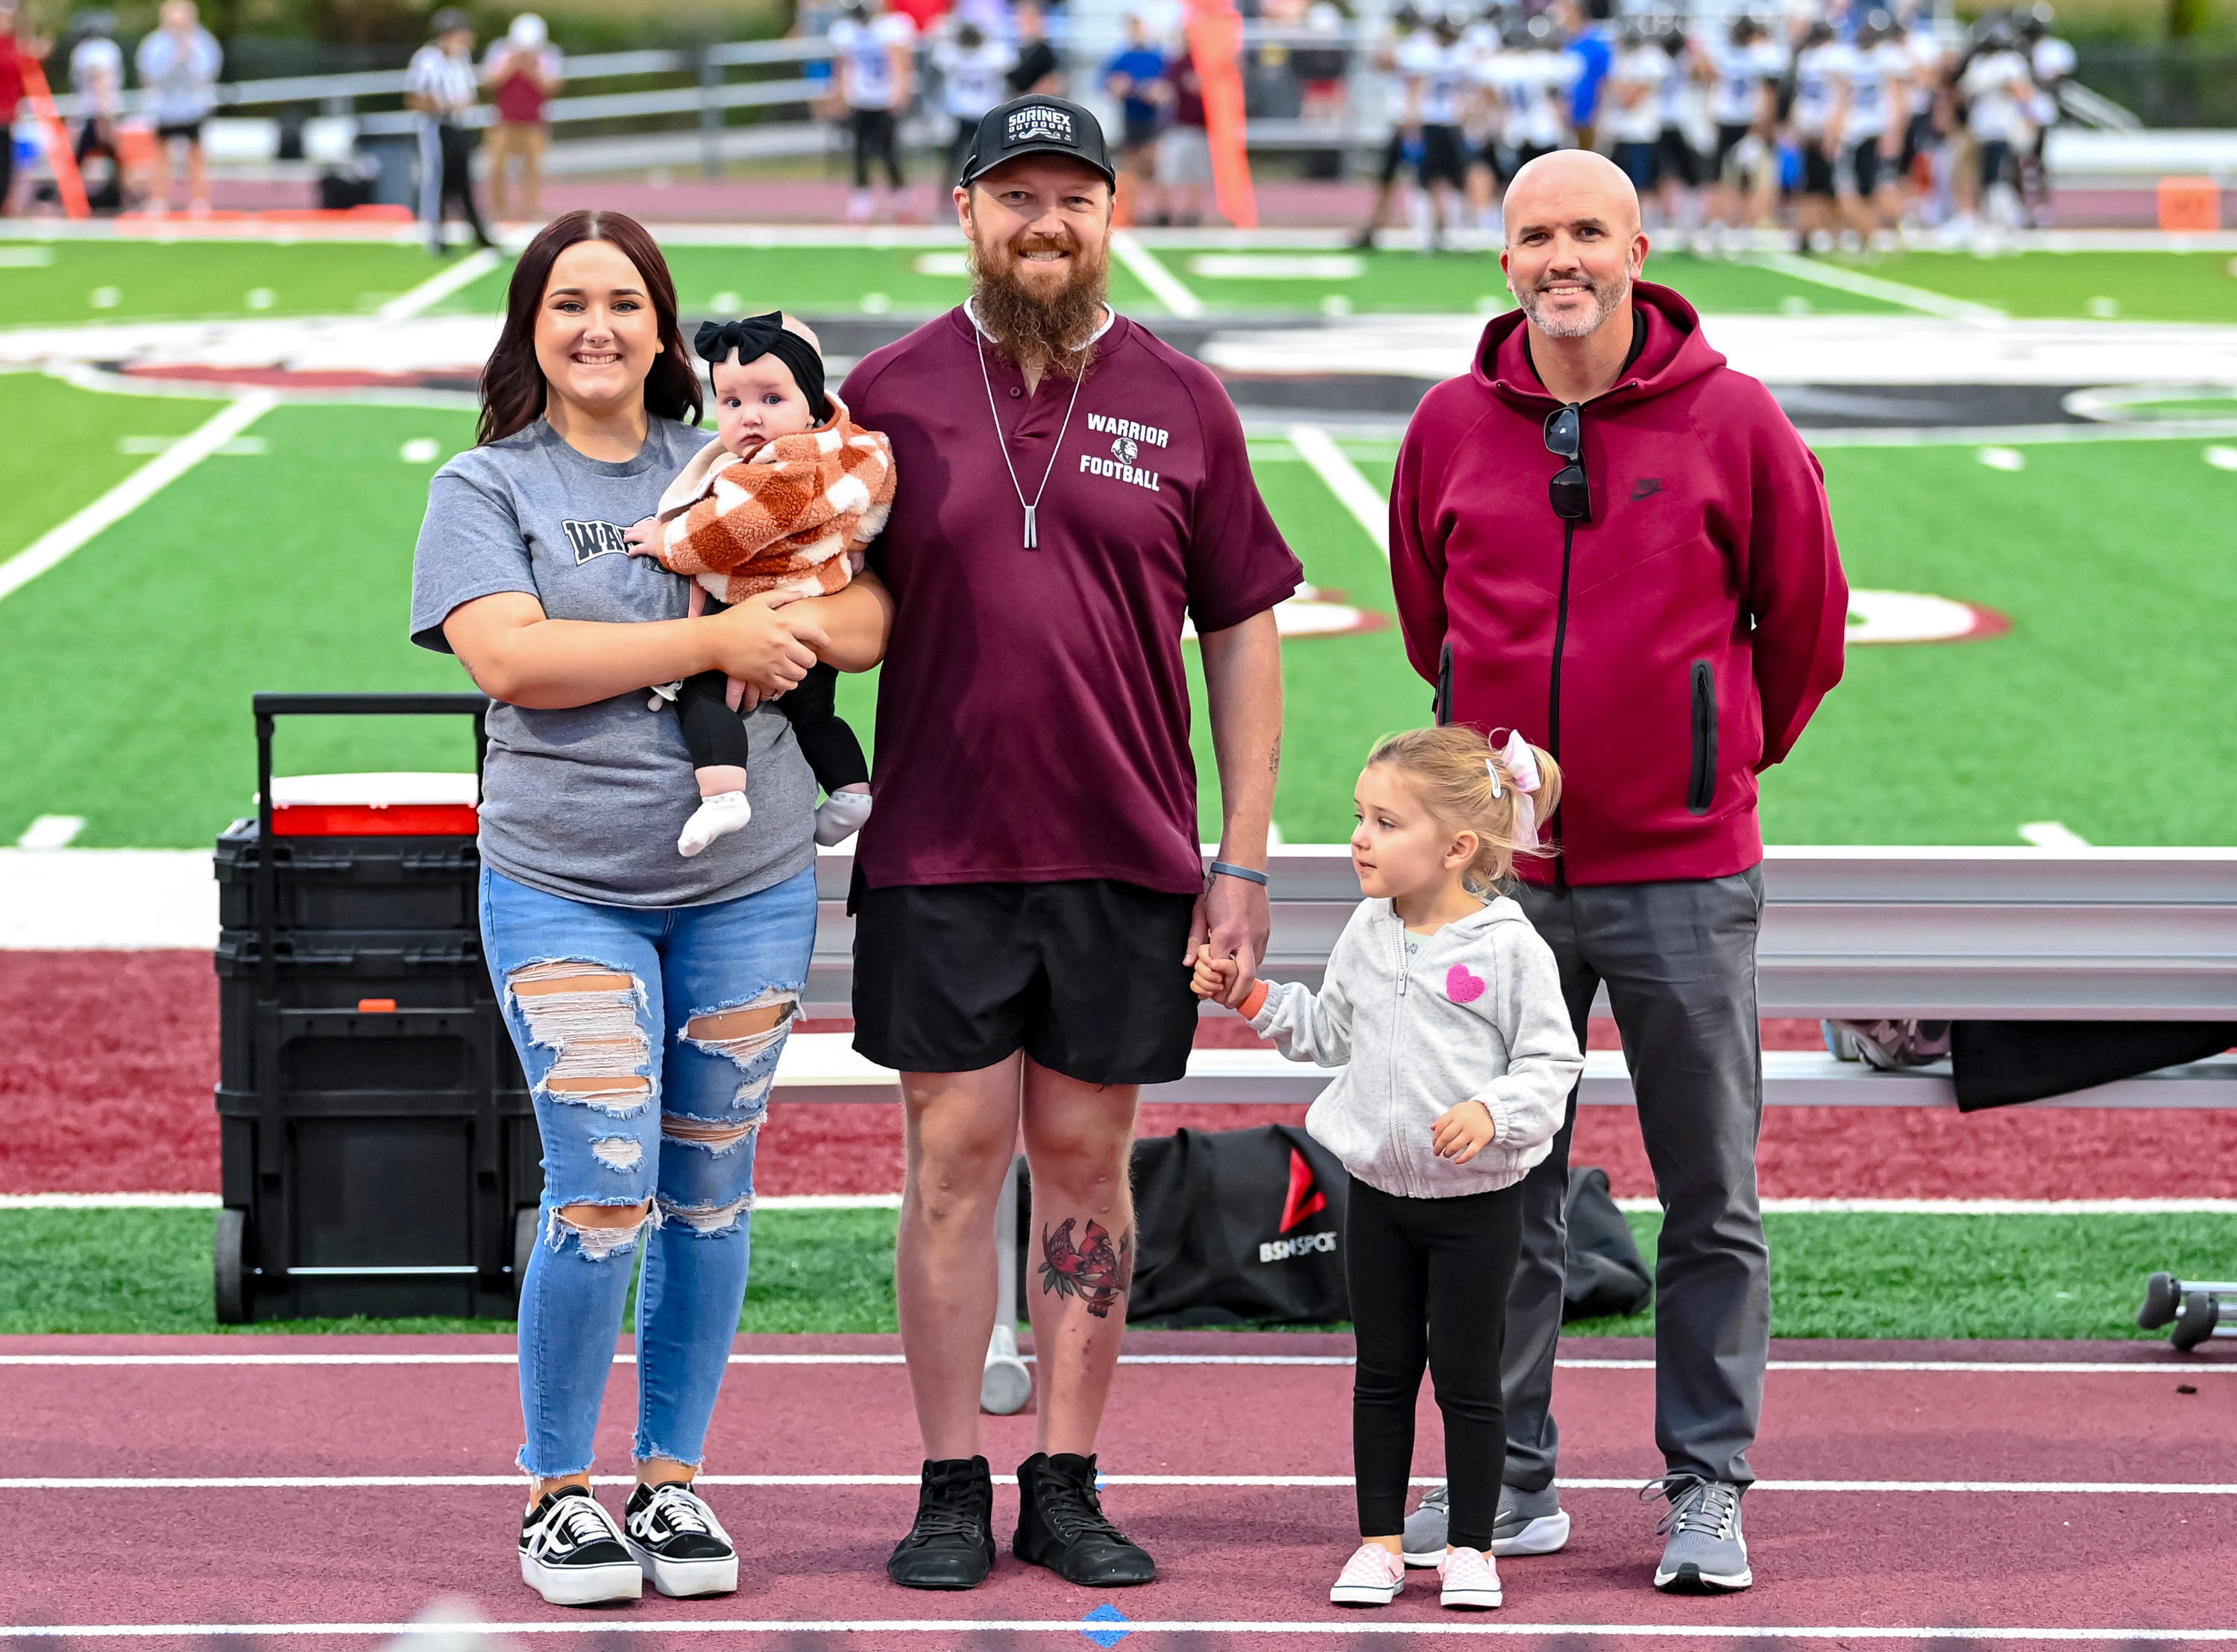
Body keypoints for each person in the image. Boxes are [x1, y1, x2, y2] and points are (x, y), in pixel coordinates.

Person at [839, 94, 1300, 1592]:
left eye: (1076, 199)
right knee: (953, 1159)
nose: (1049, 223)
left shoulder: (1181, 397)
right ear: (964, 214)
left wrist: (1242, 849)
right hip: (939, 845)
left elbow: (1239, 626)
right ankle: (949, 1479)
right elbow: (831, 601)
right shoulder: (888, 393)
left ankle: (1070, 1475)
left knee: (1090, 1158)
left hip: (1125, 849)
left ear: (1114, 219)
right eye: (1017, 196)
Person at [409, 209, 893, 1609]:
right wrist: (721, 636)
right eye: (571, 304)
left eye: (626, 302)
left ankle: (670, 1475)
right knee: (603, 1183)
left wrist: (784, 624)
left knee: (709, 1188)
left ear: (666, 327)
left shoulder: (737, 449)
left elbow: (866, 619)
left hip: (746, 884)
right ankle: (560, 1490)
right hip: (568, 884)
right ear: (532, 327)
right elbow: (513, 658)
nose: (600, 327)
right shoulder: (483, 484)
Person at [1388, 150, 1848, 1596]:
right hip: (1505, 880)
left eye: (1588, 230)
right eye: (1535, 235)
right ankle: (1512, 1478)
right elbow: (1429, 621)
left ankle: (1706, 1484)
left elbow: (1809, 623)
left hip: (1683, 873)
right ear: (1503, 255)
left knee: (1708, 1190)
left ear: (1640, 246)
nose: (1560, 258)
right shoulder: (1454, 424)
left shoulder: (1734, 420)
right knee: (1502, 1183)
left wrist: (1708, 762)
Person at [1197, 727, 1582, 1614]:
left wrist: (1494, 1113)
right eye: (1358, 817)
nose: (1359, 838)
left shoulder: (1508, 946)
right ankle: (1377, 1542)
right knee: (1382, 1370)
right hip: (1377, 1196)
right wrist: (1250, 995)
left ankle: (1472, 1547)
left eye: (1383, 821)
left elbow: (1551, 1063)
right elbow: (1331, 1033)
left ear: (1455, 849)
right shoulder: (1369, 928)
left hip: (1477, 1206)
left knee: (1469, 1378)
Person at [623, 312, 889, 856]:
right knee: (815, 712)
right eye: (732, 402)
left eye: (772, 400)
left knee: (700, 689)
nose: (750, 417)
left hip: (756, 601)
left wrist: (665, 541)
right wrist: (855, 548)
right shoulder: (856, 449)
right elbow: (875, 502)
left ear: (811, 402)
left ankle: (723, 794)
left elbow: (724, 535)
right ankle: (850, 790)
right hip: (819, 609)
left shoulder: (777, 473)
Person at [409, 9, 495, 256]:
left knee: (464, 180)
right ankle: (435, 234)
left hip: (459, 126)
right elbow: (414, 99)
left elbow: (468, 95)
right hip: (437, 128)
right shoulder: (426, 60)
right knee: (436, 180)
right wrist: (443, 105)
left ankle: (477, 231)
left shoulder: (461, 59)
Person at [828, 0, 916, 223]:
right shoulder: (848, 30)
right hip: (860, 99)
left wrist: (900, 94)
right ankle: (861, 203)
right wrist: (838, 96)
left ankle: (901, 201)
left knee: (889, 154)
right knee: (859, 153)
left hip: (884, 99)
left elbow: (900, 63)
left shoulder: (891, 27)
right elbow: (843, 67)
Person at [134, 0, 220, 215]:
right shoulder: (155, 44)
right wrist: (173, 61)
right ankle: (159, 200)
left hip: (193, 107)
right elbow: (150, 76)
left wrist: (189, 57)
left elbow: (207, 75)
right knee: (162, 156)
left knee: (196, 155)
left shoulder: (203, 43)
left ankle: (199, 201)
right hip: (165, 108)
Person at [483, 12, 563, 223]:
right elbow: (490, 82)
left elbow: (552, 86)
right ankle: (499, 211)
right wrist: (511, 65)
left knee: (533, 170)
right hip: (504, 121)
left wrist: (531, 69)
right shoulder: (500, 50)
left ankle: (530, 212)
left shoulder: (549, 54)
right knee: (497, 167)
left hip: (535, 123)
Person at [1100, 14, 1168, 222]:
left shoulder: (1157, 57)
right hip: (1131, 117)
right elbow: (1108, 84)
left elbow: (1166, 90)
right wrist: (1120, 87)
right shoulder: (1122, 57)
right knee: (1133, 167)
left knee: (1155, 165)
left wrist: (1154, 92)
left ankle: (1161, 212)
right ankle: (1135, 212)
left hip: (1153, 118)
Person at [934, 18, 1015, 183]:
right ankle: (949, 189)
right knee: (954, 158)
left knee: (989, 156)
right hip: (962, 114)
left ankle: (992, 185)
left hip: (985, 114)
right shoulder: (954, 54)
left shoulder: (992, 54)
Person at [68, 10, 126, 212]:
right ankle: (80, 200)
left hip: (96, 114)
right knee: (108, 158)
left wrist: (103, 116)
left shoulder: (94, 50)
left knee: (84, 159)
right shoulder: (103, 49)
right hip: (98, 112)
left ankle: (79, 200)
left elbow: (100, 79)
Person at [1155, 44, 1215, 227]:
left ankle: (1192, 215)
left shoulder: (1212, 63)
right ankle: (1164, 214)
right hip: (1180, 127)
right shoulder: (1179, 64)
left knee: (1198, 175)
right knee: (1168, 174)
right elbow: (1166, 91)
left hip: (1202, 128)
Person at [1003, 0, 1063, 97]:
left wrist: (1023, 99)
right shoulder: (1016, 53)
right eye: (1022, 20)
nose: (1024, 25)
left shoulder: (1045, 54)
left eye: (1030, 20)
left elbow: (1052, 87)